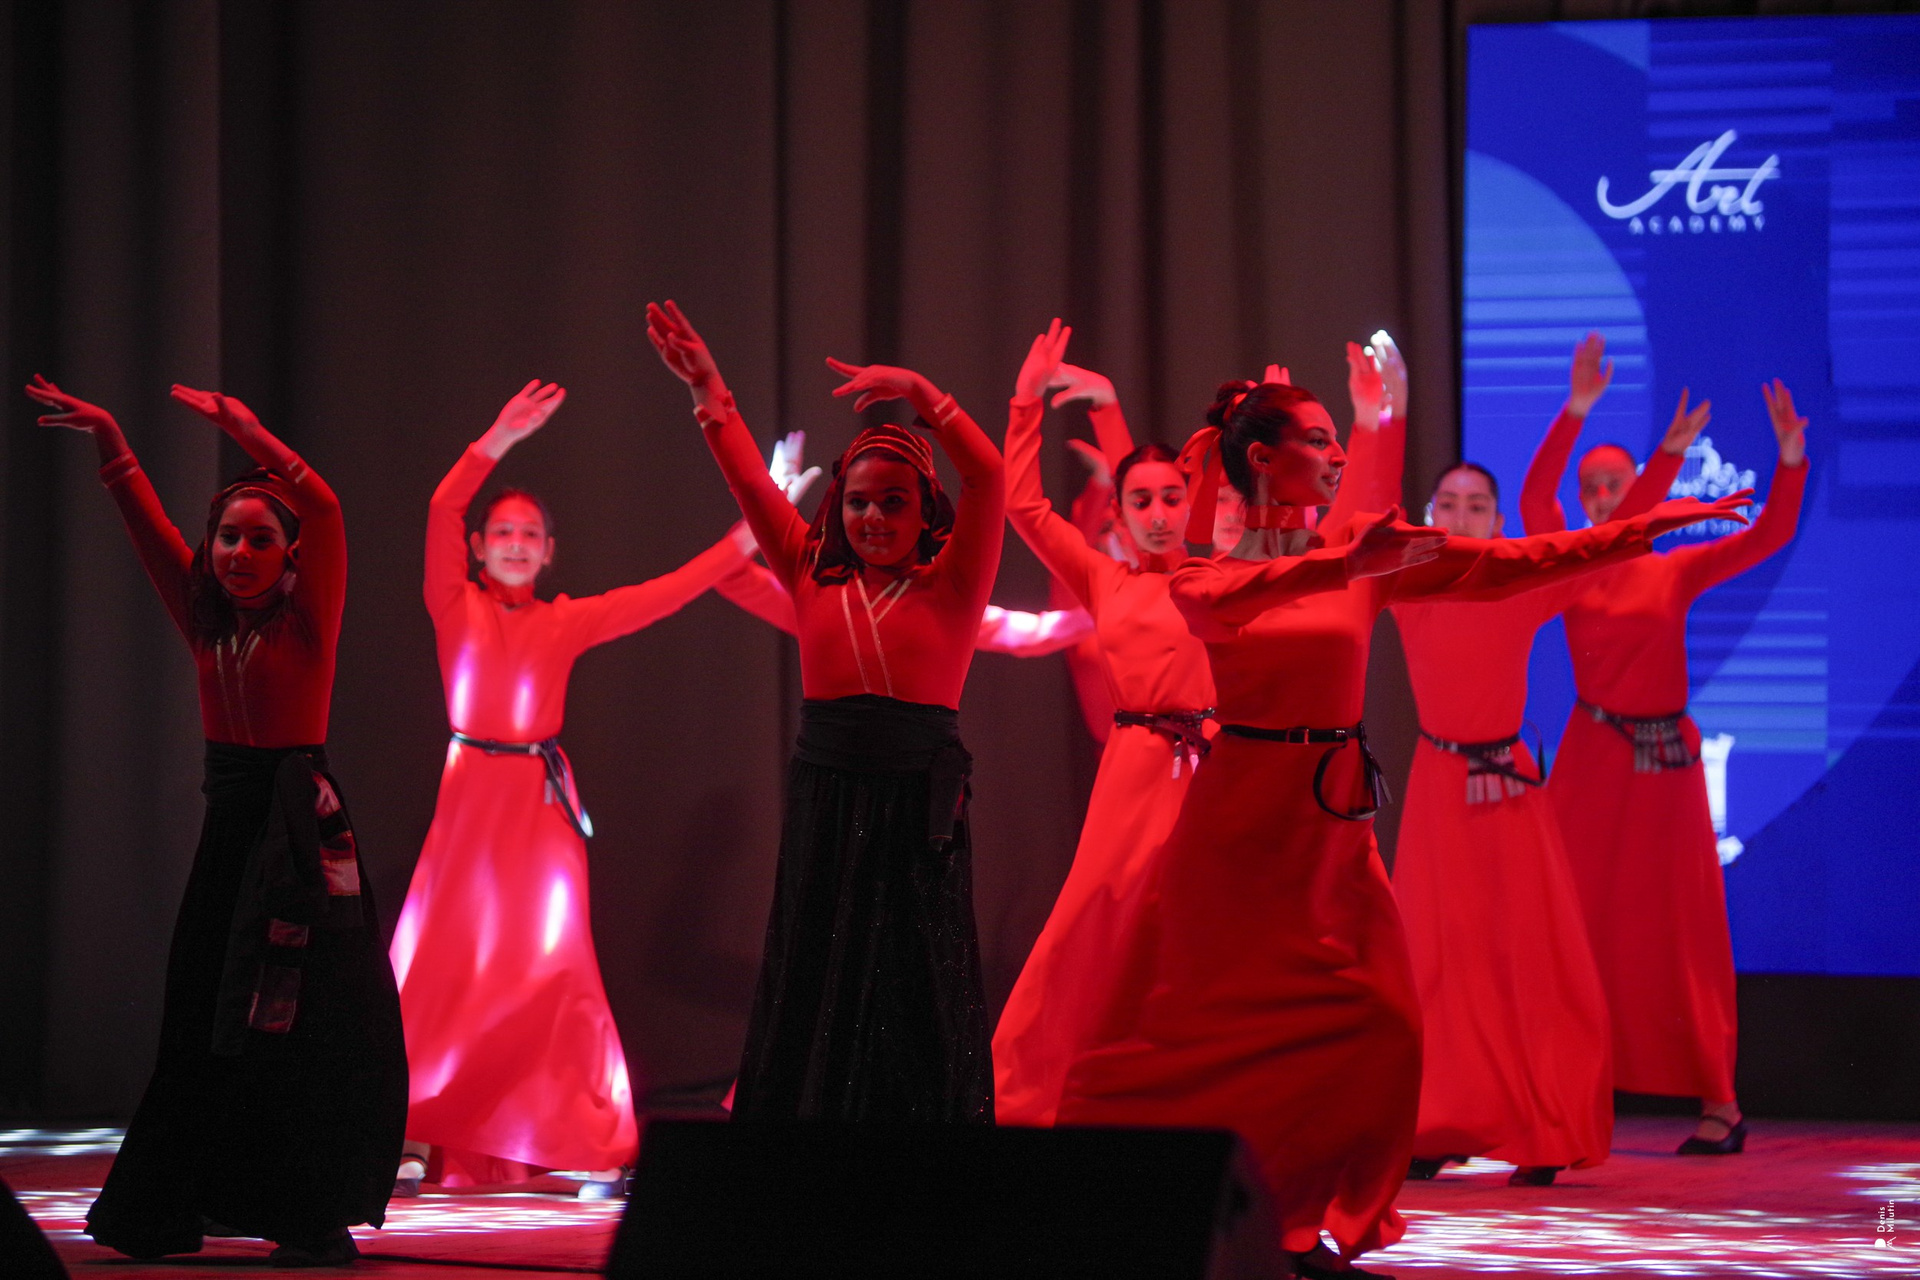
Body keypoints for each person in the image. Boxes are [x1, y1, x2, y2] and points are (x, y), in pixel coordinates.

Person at [1054, 367, 1751, 1277]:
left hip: (1333, 825)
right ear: (1262, 459)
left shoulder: (1362, 558)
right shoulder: (1212, 568)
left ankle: (1303, 1221)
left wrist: (1636, 531)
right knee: (1188, 1029)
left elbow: (1510, 565)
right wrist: (1347, 564)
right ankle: (1127, 1201)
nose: (1337, 453)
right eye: (1318, 439)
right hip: (1239, 823)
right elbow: (1220, 605)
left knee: (1381, 1027)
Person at [26, 376, 407, 1268]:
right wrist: (113, 443)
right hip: (231, 837)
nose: (239, 552)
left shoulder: (308, 625)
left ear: (289, 555)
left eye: (259, 540)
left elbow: (325, 505)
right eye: (227, 537)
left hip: (300, 839)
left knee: (305, 1022)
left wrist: (252, 432)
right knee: (205, 1017)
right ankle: (169, 1206)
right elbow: (146, 530)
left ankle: (309, 1214)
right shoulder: (204, 621)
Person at [388, 380, 755, 1197]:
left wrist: (747, 535)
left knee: (555, 969)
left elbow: (665, 594)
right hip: (468, 804)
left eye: (530, 534)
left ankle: (585, 1138)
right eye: (503, 532)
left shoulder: (564, 620)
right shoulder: (453, 603)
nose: (516, 544)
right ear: (478, 547)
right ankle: (409, 1128)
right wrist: (497, 439)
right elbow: (442, 508)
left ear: (550, 551)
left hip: (541, 808)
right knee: (437, 965)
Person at [647, 300, 1006, 1122]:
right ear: (836, 507)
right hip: (829, 795)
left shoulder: (954, 584)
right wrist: (708, 392)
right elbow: (747, 480)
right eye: (858, 503)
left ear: (926, 510)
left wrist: (926, 395)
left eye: (893, 503)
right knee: (816, 966)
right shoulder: (811, 570)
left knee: (916, 978)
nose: (873, 519)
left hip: (917, 803)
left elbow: (989, 478)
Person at [1521, 335, 1811, 1155]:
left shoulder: (1671, 570)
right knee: (1568, 920)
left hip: (1665, 762)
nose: (1601, 497)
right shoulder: (1571, 565)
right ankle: (1556, 1092)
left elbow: (1768, 535)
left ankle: (1721, 1102)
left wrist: (1791, 460)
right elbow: (1536, 497)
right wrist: (1577, 409)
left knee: (1686, 924)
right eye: (1592, 486)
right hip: (1593, 756)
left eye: (1615, 483)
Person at [990, 328, 1222, 1126]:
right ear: (1118, 514)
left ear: (1193, 502)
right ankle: (1042, 1089)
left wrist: (1112, 407)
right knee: (1097, 927)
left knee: (1199, 933)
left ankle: (1194, 1096)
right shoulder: (1103, 577)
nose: (1158, 513)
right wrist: (1026, 404)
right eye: (1140, 502)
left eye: (1172, 499)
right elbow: (1023, 506)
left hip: (1212, 769)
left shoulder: (1219, 575)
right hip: (1133, 769)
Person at [1390, 458, 1632, 1186]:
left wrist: (1661, 480)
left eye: (1476, 506)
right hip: (1438, 786)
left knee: (1526, 955)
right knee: (1435, 958)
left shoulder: (1520, 585)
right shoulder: (1405, 587)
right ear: (1428, 517)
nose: (1461, 517)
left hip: (1506, 788)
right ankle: (1437, 1121)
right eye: (1449, 503)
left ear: (1500, 524)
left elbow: (1610, 543)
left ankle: (1545, 1129)